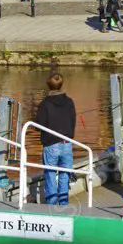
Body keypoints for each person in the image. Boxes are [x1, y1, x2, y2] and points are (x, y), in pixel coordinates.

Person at [34, 73, 77, 206]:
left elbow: (39, 125)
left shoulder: (44, 104)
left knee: (51, 174)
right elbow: (73, 121)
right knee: (65, 174)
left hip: (51, 145)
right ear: (61, 85)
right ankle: (63, 203)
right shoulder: (70, 102)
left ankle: (52, 204)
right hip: (66, 143)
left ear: (48, 86)